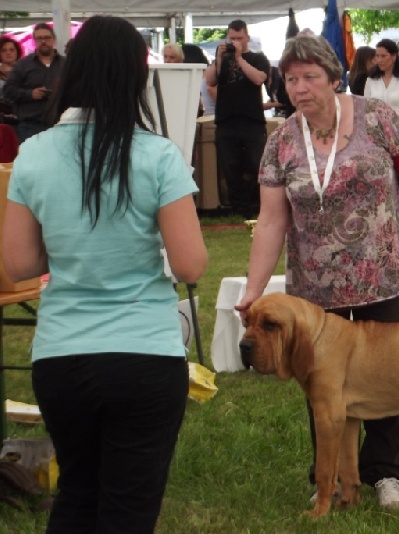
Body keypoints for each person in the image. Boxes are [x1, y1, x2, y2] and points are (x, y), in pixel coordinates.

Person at [1, 15, 207, 533]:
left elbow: (19, 264)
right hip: (144, 353)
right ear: (135, 77)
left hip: (62, 355)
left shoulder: (33, 153)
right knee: (128, 510)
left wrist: (71, 245)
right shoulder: (158, 155)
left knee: (77, 496)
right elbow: (190, 265)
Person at [235, 35, 399, 510]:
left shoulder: (380, 118)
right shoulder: (281, 141)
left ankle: (389, 473)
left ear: (334, 78)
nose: (300, 88)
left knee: (389, 376)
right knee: (320, 383)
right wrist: (254, 290)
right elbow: (271, 221)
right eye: (291, 79)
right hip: (313, 290)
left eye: (310, 77)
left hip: (380, 273)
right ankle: (329, 477)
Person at [204, 19, 270, 217]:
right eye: (232, 38)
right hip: (226, 120)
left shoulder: (258, 58)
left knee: (256, 163)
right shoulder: (222, 59)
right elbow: (210, 80)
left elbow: (259, 79)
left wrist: (239, 58)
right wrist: (219, 58)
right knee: (230, 165)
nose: (235, 42)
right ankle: (237, 207)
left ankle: (256, 205)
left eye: (239, 38)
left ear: (247, 37)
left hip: (251, 119)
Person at [3, 23, 65, 143]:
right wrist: (30, 94)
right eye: (39, 38)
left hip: (60, 124)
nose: (43, 41)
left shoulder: (66, 64)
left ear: (54, 40)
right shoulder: (22, 65)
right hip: (31, 125)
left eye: (47, 38)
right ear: (34, 41)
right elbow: (8, 91)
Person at [364, 39, 399, 125]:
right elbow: (366, 106)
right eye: (377, 56)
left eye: (383, 56)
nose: (379, 60)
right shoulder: (371, 79)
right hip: (378, 129)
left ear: (394, 56)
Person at [0, 36, 22, 122]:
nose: (8, 53)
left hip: (21, 117)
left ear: (17, 52)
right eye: (4, 50)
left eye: (12, 50)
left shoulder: (24, 72)